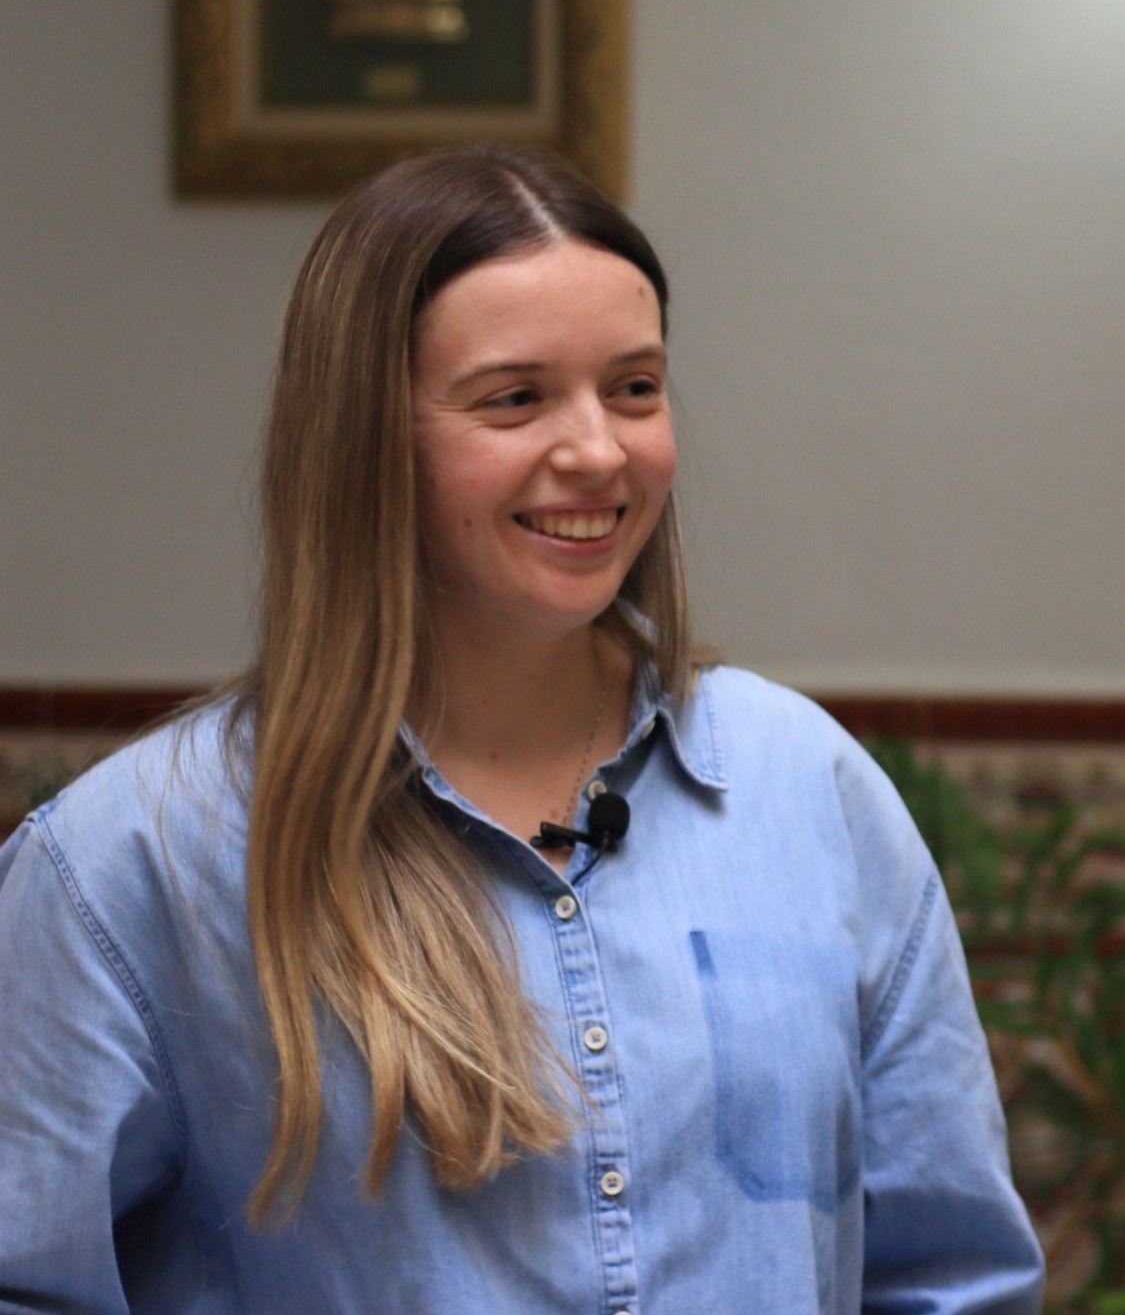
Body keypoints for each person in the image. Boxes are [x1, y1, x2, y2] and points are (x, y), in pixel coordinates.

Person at [0, 145, 1044, 1313]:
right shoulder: (131, 864)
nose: (597, 451)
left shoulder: (810, 792)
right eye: (515, 398)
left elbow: (955, 1278)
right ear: (366, 439)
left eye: (635, 388)